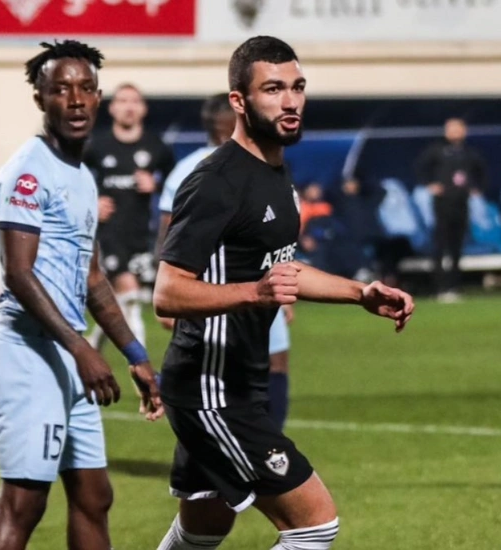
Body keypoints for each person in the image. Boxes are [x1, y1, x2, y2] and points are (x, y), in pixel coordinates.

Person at [153, 36, 414, 550]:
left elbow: (282, 269)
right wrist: (254, 292)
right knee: (315, 526)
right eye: (273, 89)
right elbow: (168, 292)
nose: (290, 101)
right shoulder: (216, 182)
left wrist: (361, 293)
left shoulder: (274, 173)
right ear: (239, 101)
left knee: (203, 529)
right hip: (212, 389)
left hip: (237, 382)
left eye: (297, 87)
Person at [0, 40, 163, 550]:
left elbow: (93, 278)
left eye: (86, 88)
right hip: (28, 351)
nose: (76, 100)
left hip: (66, 353)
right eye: (61, 89)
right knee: (23, 504)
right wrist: (82, 349)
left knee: (93, 496)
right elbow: (18, 274)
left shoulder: (82, 177)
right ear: (40, 99)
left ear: (99, 98)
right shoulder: (28, 170)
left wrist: (135, 354)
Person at [156, 92, 294, 431]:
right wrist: (170, 290)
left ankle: (267, 441)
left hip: (264, 286)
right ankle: (254, 445)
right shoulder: (198, 170)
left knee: (274, 361)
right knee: (220, 373)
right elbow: (169, 234)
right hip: (218, 294)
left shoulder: (266, 164)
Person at [84, 82, 175, 349]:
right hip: (107, 235)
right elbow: (72, 179)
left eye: (134, 101)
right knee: (131, 296)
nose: (128, 107)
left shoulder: (155, 146)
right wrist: (91, 203)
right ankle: (140, 363)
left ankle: (94, 343)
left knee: (118, 299)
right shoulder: (97, 146)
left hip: (140, 235)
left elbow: (176, 182)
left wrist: (155, 185)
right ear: (112, 108)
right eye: (122, 101)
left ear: (143, 109)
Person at [415, 117, 486, 302]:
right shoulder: (436, 150)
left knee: (457, 246)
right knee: (440, 245)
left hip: (461, 203)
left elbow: (481, 172)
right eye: (451, 129)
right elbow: (420, 169)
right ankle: (439, 287)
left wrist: (476, 188)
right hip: (442, 203)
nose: (455, 132)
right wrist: (430, 185)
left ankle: (455, 286)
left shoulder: (469, 152)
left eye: (458, 129)